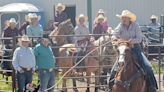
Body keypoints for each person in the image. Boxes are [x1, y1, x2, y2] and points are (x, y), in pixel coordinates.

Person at [109, 10, 157, 92]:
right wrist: (114, 38)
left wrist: (130, 41)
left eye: (125, 18)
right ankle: (110, 88)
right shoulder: (120, 25)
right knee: (113, 70)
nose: (123, 19)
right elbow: (114, 34)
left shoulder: (135, 25)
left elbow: (139, 38)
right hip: (123, 51)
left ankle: (152, 87)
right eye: (122, 18)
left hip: (135, 50)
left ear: (129, 19)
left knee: (148, 67)